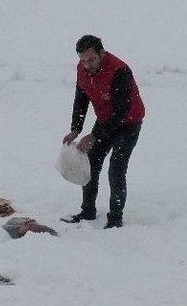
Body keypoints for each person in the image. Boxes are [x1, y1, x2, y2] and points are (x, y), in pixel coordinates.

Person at [62, 35, 145, 229]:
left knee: (116, 168)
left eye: (91, 59)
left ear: (102, 53)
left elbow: (121, 113)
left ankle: (115, 219)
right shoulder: (82, 69)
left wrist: (93, 136)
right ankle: (88, 211)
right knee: (90, 163)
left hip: (129, 122)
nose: (86, 64)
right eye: (83, 60)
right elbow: (81, 97)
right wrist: (76, 128)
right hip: (105, 120)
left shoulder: (120, 70)